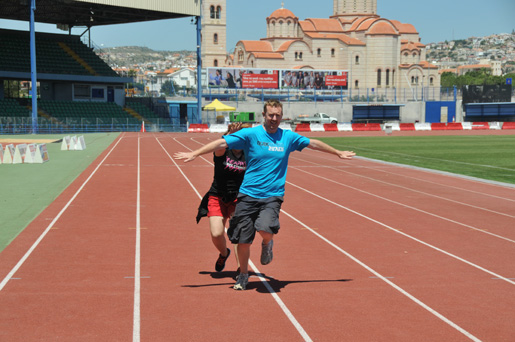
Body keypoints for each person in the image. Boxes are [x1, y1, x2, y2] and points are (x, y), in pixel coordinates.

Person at [174, 100, 355, 291]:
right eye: (270, 115)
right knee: (243, 240)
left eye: (277, 115)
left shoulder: (288, 137)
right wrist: (195, 153)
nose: (274, 119)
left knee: (266, 230)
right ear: (264, 115)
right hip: (247, 195)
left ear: (282, 116)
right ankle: (243, 275)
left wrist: (337, 152)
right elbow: (221, 142)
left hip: (272, 196)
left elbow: (313, 144)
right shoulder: (251, 134)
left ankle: (267, 244)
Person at [195, 122, 249, 273]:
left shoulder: (248, 154)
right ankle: (224, 254)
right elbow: (218, 146)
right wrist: (229, 135)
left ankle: (241, 269)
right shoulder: (223, 152)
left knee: (237, 232)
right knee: (217, 233)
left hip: (238, 199)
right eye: (236, 137)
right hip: (217, 196)